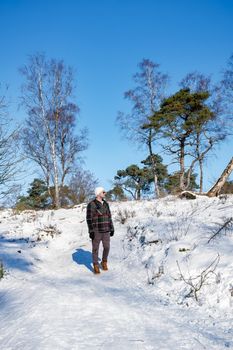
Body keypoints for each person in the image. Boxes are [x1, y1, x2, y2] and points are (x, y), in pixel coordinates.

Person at [86, 187, 114, 274]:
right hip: (96, 230)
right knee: (95, 249)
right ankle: (96, 265)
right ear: (98, 193)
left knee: (107, 247)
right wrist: (91, 231)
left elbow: (109, 217)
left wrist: (112, 228)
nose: (105, 193)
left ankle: (104, 261)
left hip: (106, 230)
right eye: (103, 192)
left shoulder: (106, 204)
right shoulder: (91, 204)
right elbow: (89, 219)